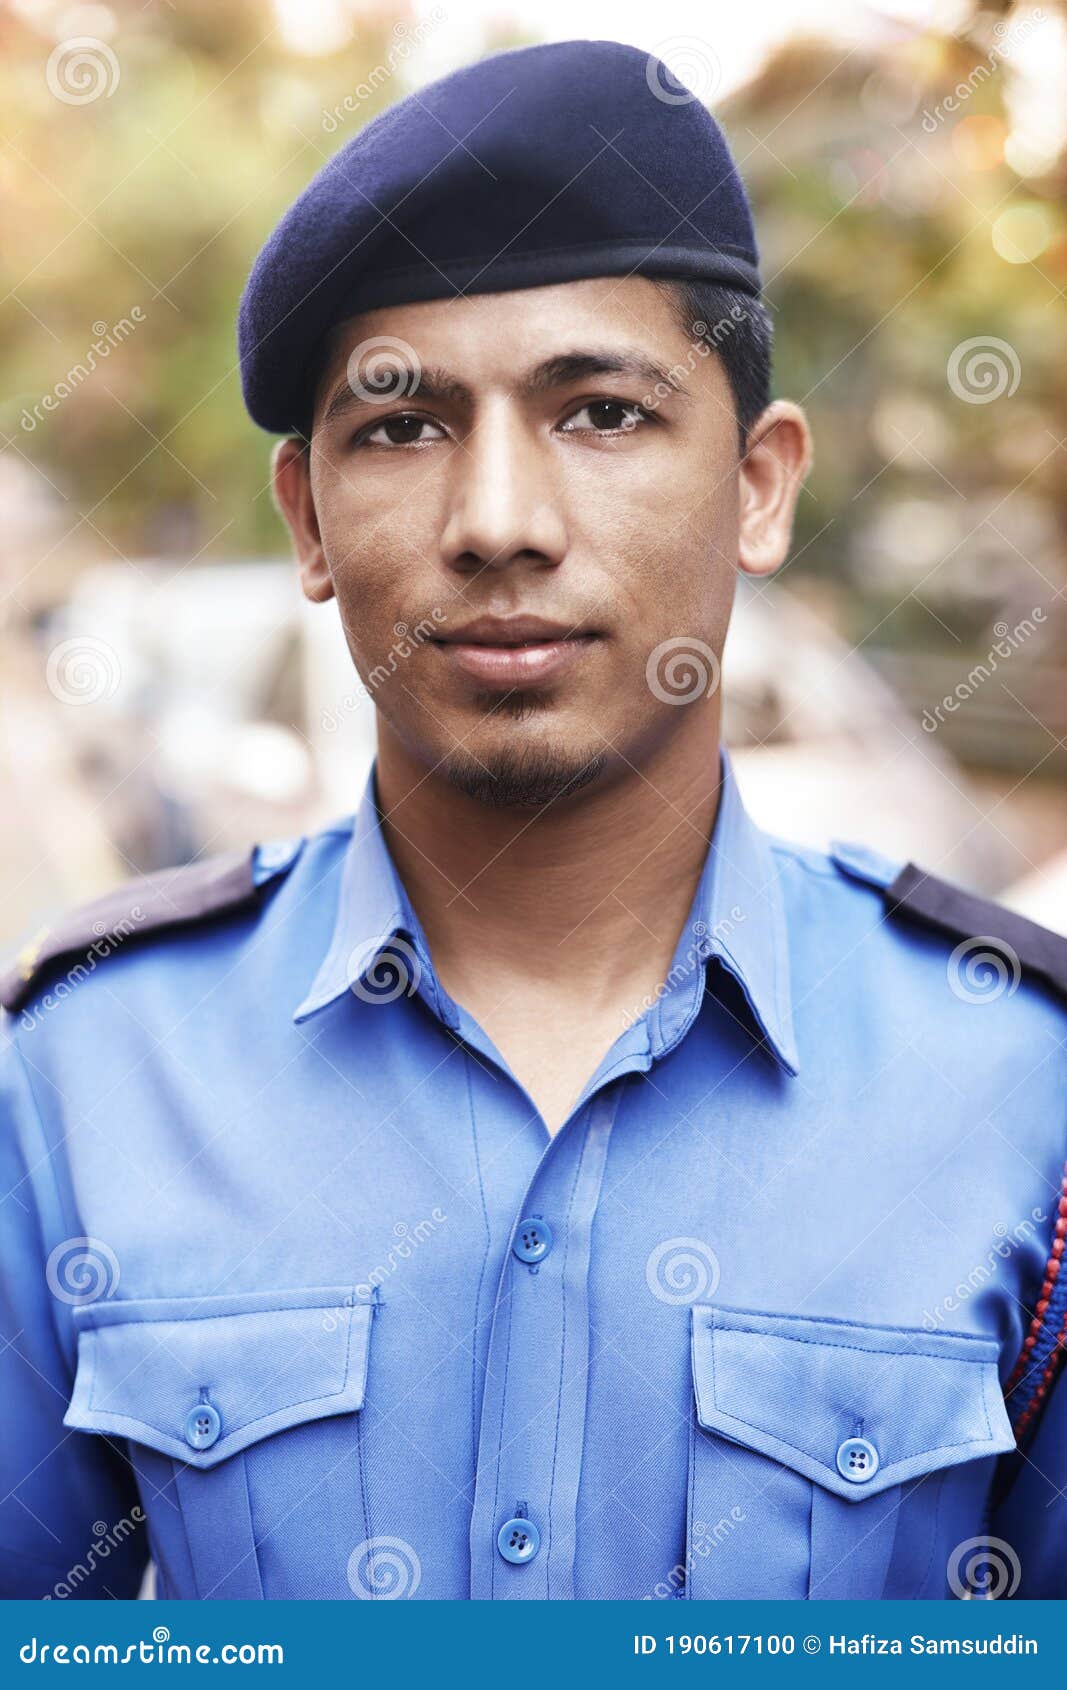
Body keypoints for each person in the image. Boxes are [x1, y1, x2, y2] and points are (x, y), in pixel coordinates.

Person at [1, 38, 1064, 1603]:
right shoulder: (90, 1069)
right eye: (403, 426)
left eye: (605, 414)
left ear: (761, 487)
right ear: (304, 519)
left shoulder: (1018, 1082)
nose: (499, 520)